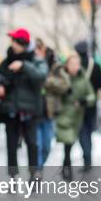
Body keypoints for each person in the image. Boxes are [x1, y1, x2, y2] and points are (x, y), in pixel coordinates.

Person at [0, 29, 47, 178]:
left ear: (23, 44)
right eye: (12, 41)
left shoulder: (36, 60)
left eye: (16, 41)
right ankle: (12, 175)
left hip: (29, 110)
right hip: (11, 109)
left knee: (32, 143)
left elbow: (41, 77)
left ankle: (34, 173)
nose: (13, 44)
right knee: (11, 145)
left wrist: (23, 66)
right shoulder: (7, 61)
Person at [54, 53, 95, 181]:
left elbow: (92, 96)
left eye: (77, 64)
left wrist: (84, 101)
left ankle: (86, 165)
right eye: (72, 64)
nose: (75, 66)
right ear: (67, 65)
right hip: (65, 116)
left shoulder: (83, 78)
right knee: (67, 146)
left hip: (79, 117)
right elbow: (52, 92)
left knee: (84, 143)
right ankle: (67, 171)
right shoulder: (61, 77)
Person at [74, 41, 101, 171]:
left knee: (82, 132)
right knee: (88, 131)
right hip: (91, 104)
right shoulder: (96, 66)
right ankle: (89, 160)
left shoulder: (76, 66)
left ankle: (86, 158)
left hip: (78, 103)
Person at [34, 38, 58, 176]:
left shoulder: (54, 64)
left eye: (38, 50)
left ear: (43, 49)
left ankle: (40, 167)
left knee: (47, 146)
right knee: (38, 145)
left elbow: (63, 83)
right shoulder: (32, 63)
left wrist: (46, 79)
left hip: (49, 112)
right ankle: (37, 170)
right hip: (35, 112)